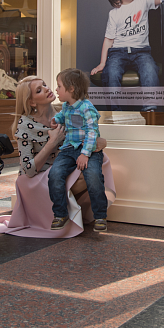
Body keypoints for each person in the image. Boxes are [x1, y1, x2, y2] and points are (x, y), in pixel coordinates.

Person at [0, 75, 115, 238]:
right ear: (32, 102)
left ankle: (93, 214)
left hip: (65, 163)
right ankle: (62, 214)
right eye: (39, 90)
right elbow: (28, 170)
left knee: (98, 161)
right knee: (75, 173)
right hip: (37, 177)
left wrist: (101, 142)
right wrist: (52, 142)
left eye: (45, 85)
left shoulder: (65, 109)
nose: (48, 89)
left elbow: (87, 132)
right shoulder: (25, 125)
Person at [91, 0, 164, 111]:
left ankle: (150, 108)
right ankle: (116, 112)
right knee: (111, 73)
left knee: (150, 69)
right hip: (118, 52)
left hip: (141, 51)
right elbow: (108, 40)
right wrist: (102, 63)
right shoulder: (114, 14)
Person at [49, 68, 109, 232]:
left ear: (71, 89)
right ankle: (60, 214)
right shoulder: (66, 106)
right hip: (68, 148)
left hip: (88, 149)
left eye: (59, 86)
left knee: (94, 177)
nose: (56, 90)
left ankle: (100, 216)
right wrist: (56, 120)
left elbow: (92, 132)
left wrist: (85, 154)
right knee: (55, 174)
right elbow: (62, 116)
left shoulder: (87, 108)